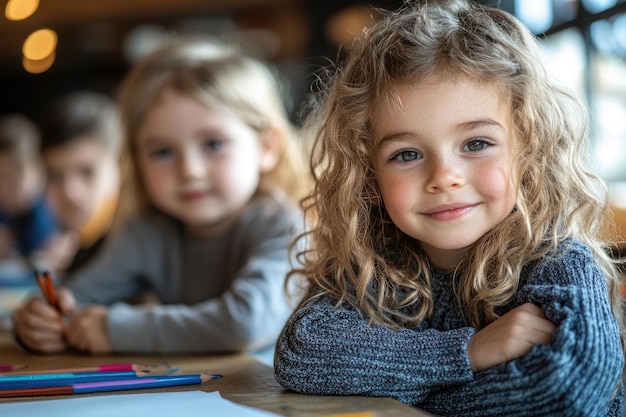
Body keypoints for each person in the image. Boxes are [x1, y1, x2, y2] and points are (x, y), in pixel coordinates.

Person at [273, 1, 625, 416]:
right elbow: (303, 352)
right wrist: (467, 352)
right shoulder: (373, 265)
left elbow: (565, 392)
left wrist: (403, 395)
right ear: (368, 177)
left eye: (476, 144)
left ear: (529, 152)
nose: (444, 176)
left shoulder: (558, 261)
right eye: (406, 154)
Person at [12, 38, 309, 356]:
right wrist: (39, 318)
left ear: (266, 147)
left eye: (213, 144)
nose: (190, 170)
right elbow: (78, 295)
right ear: (136, 160)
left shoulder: (285, 227)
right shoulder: (149, 230)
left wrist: (115, 330)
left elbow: (244, 322)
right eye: (163, 151)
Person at [38, 91, 122, 276]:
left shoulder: (132, 246)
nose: (70, 192)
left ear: (121, 166)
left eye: (87, 172)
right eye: (55, 176)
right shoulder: (82, 243)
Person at [0, 114, 58, 264]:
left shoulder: (57, 212)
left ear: (39, 169)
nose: (8, 184)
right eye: (1, 176)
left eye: (17, 172)